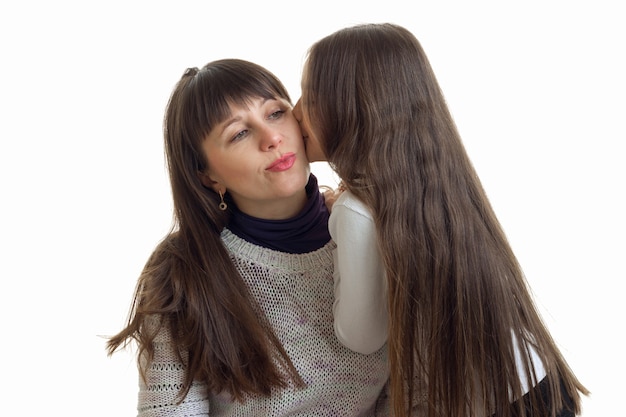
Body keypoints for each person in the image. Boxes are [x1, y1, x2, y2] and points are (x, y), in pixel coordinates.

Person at [292, 23, 589, 417]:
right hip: (541, 381)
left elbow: (361, 336)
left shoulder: (354, 212)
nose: (295, 113)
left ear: (353, 108)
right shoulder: (435, 182)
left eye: (309, 98)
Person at [106, 58, 389, 416]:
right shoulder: (183, 271)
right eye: (239, 133)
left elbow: (418, 392)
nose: (272, 138)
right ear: (208, 176)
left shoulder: (379, 232)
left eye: (275, 113)